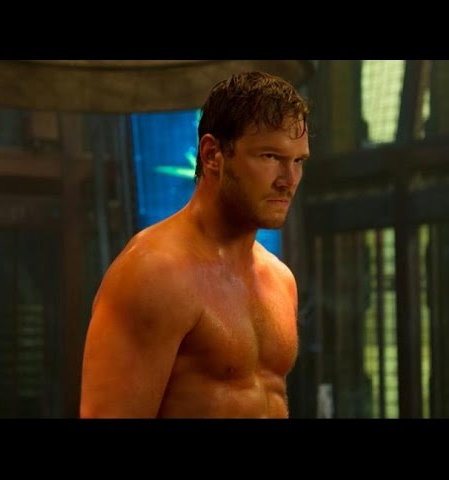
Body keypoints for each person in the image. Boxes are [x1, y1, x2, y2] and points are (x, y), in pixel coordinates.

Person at [80, 71, 310, 418]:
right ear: (212, 154)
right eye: (269, 156)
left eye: (298, 161)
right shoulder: (154, 273)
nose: (288, 180)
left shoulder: (280, 279)